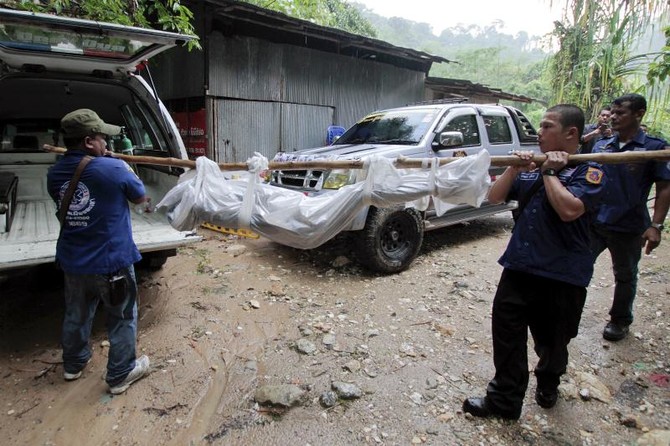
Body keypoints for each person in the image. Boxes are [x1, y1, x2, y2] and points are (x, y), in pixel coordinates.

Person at [462, 104, 606, 420]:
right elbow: (495, 197)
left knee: (553, 341)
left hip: (562, 274)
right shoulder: (530, 166)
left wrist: (550, 172)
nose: (538, 133)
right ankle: (504, 400)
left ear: (571, 133)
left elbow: (570, 210)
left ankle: (549, 379)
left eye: (546, 126)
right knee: (507, 333)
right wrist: (514, 169)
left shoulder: (591, 169)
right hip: (520, 265)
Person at [47, 109, 151, 395]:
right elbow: (141, 198)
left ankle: (73, 364)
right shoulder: (112, 168)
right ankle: (120, 373)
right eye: (103, 138)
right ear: (90, 141)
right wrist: (123, 169)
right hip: (111, 262)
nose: (107, 143)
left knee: (76, 314)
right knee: (122, 317)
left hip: (74, 261)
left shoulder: (54, 173)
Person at [590, 93, 670, 342]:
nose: (613, 117)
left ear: (639, 113)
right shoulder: (602, 145)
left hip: (628, 223)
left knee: (625, 274)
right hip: (594, 221)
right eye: (612, 112)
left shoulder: (654, 148)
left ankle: (620, 320)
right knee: (576, 264)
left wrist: (656, 225)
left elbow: (665, 188)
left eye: (620, 112)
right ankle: (564, 310)